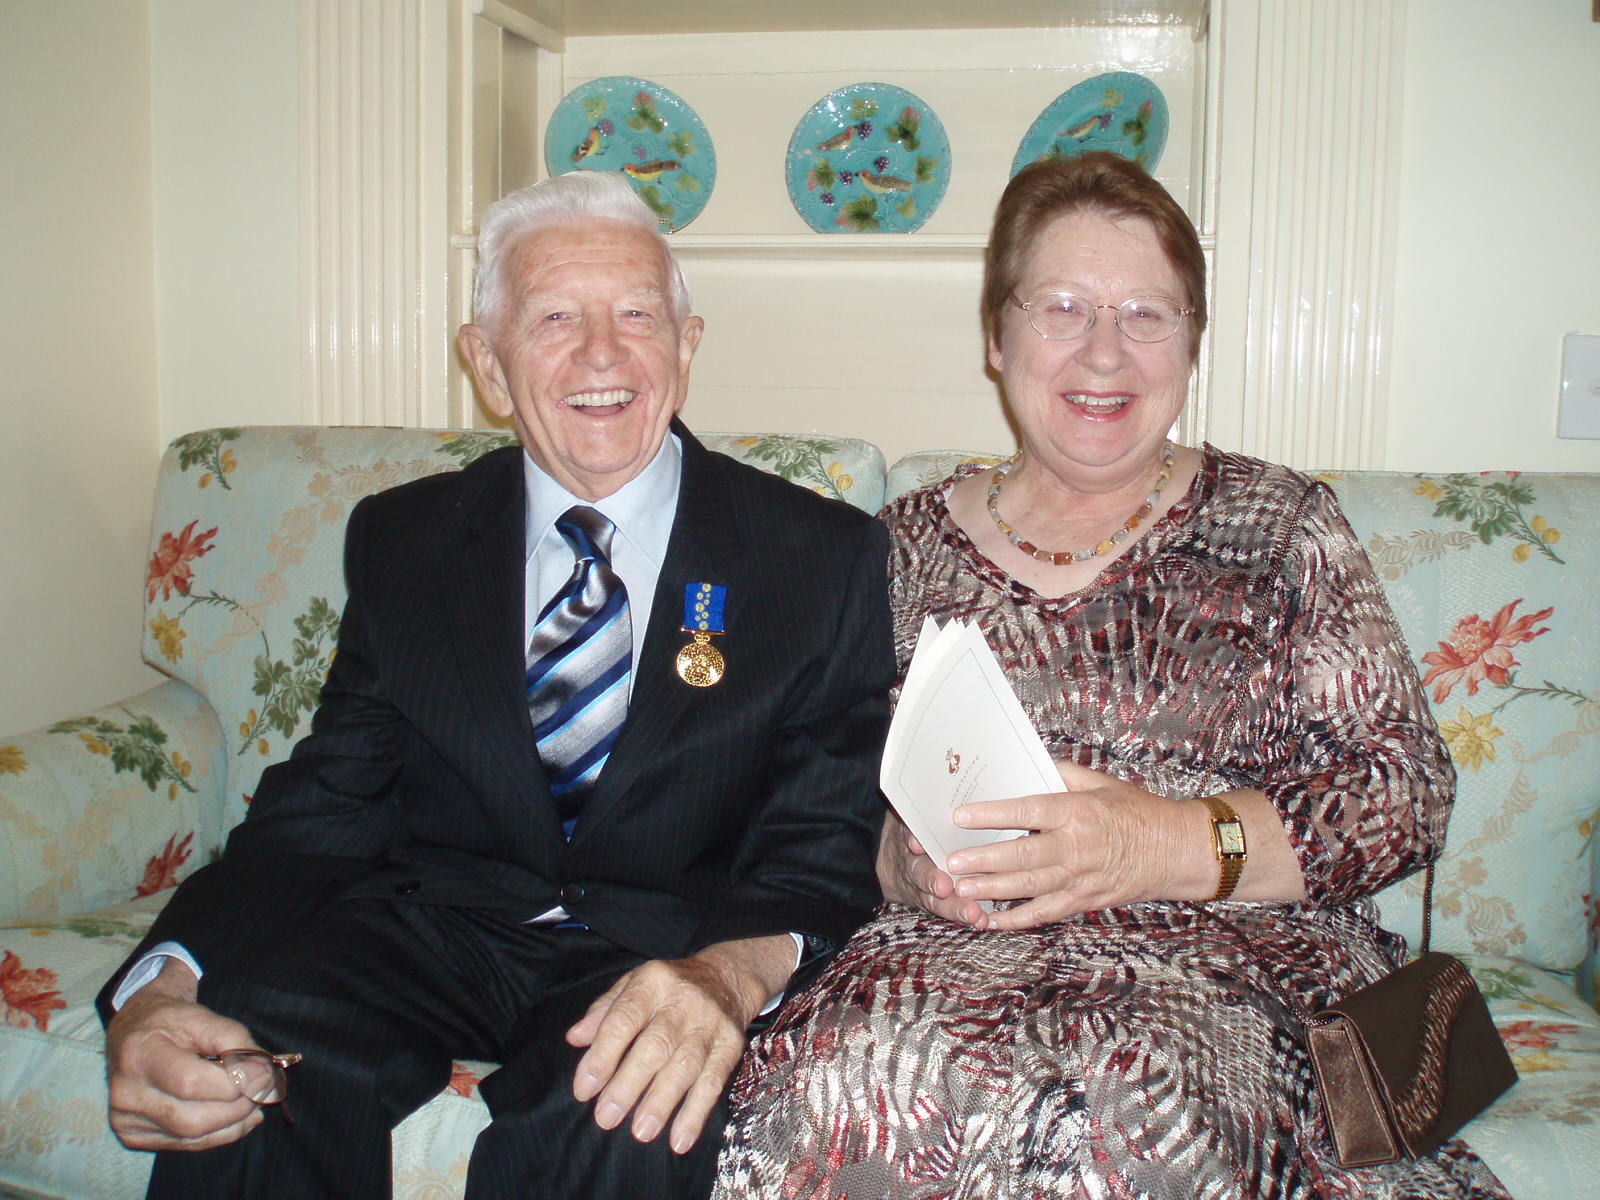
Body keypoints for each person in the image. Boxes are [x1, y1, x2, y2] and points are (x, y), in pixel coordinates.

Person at [711, 153, 1511, 1198]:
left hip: (1226, 959)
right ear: (997, 339)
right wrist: (897, 868)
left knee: (1120, 1116)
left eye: (1146, 312)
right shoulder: (889, 552)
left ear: (1189, 344)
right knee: (843, 1091)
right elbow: (792, 806)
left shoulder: (1279, 528)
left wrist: (1162, 842)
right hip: (941, 961)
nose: (1104, 351)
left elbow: (1404, 795)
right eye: (1063, 307)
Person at [97, 170, 895, 1200]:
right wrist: (161, 984)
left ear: (686, 345)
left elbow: (825, 834)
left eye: (637, 315)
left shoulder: (817, 556)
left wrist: (726, 974)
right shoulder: (405, 538)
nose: (601, 354)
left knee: (633, 1117)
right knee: (241, 1060)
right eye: (556, 316)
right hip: (431, 926)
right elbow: (324, 804)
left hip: (662, 946)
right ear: (486, 362)